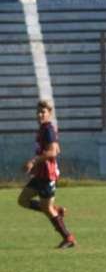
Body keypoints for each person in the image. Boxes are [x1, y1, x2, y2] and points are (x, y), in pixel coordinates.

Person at [17, 100, 75, 249]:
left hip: (47, 176)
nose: (40, 114)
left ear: (49, 113)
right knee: (23, 200)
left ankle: (68, 238)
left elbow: (53, 151)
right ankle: (56, 210)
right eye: (38, 112)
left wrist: (34, 161)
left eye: (43, 112)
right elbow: (57, 149)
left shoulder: (48, 129)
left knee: (47, 209)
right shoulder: (44, 128)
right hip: (40, 175)